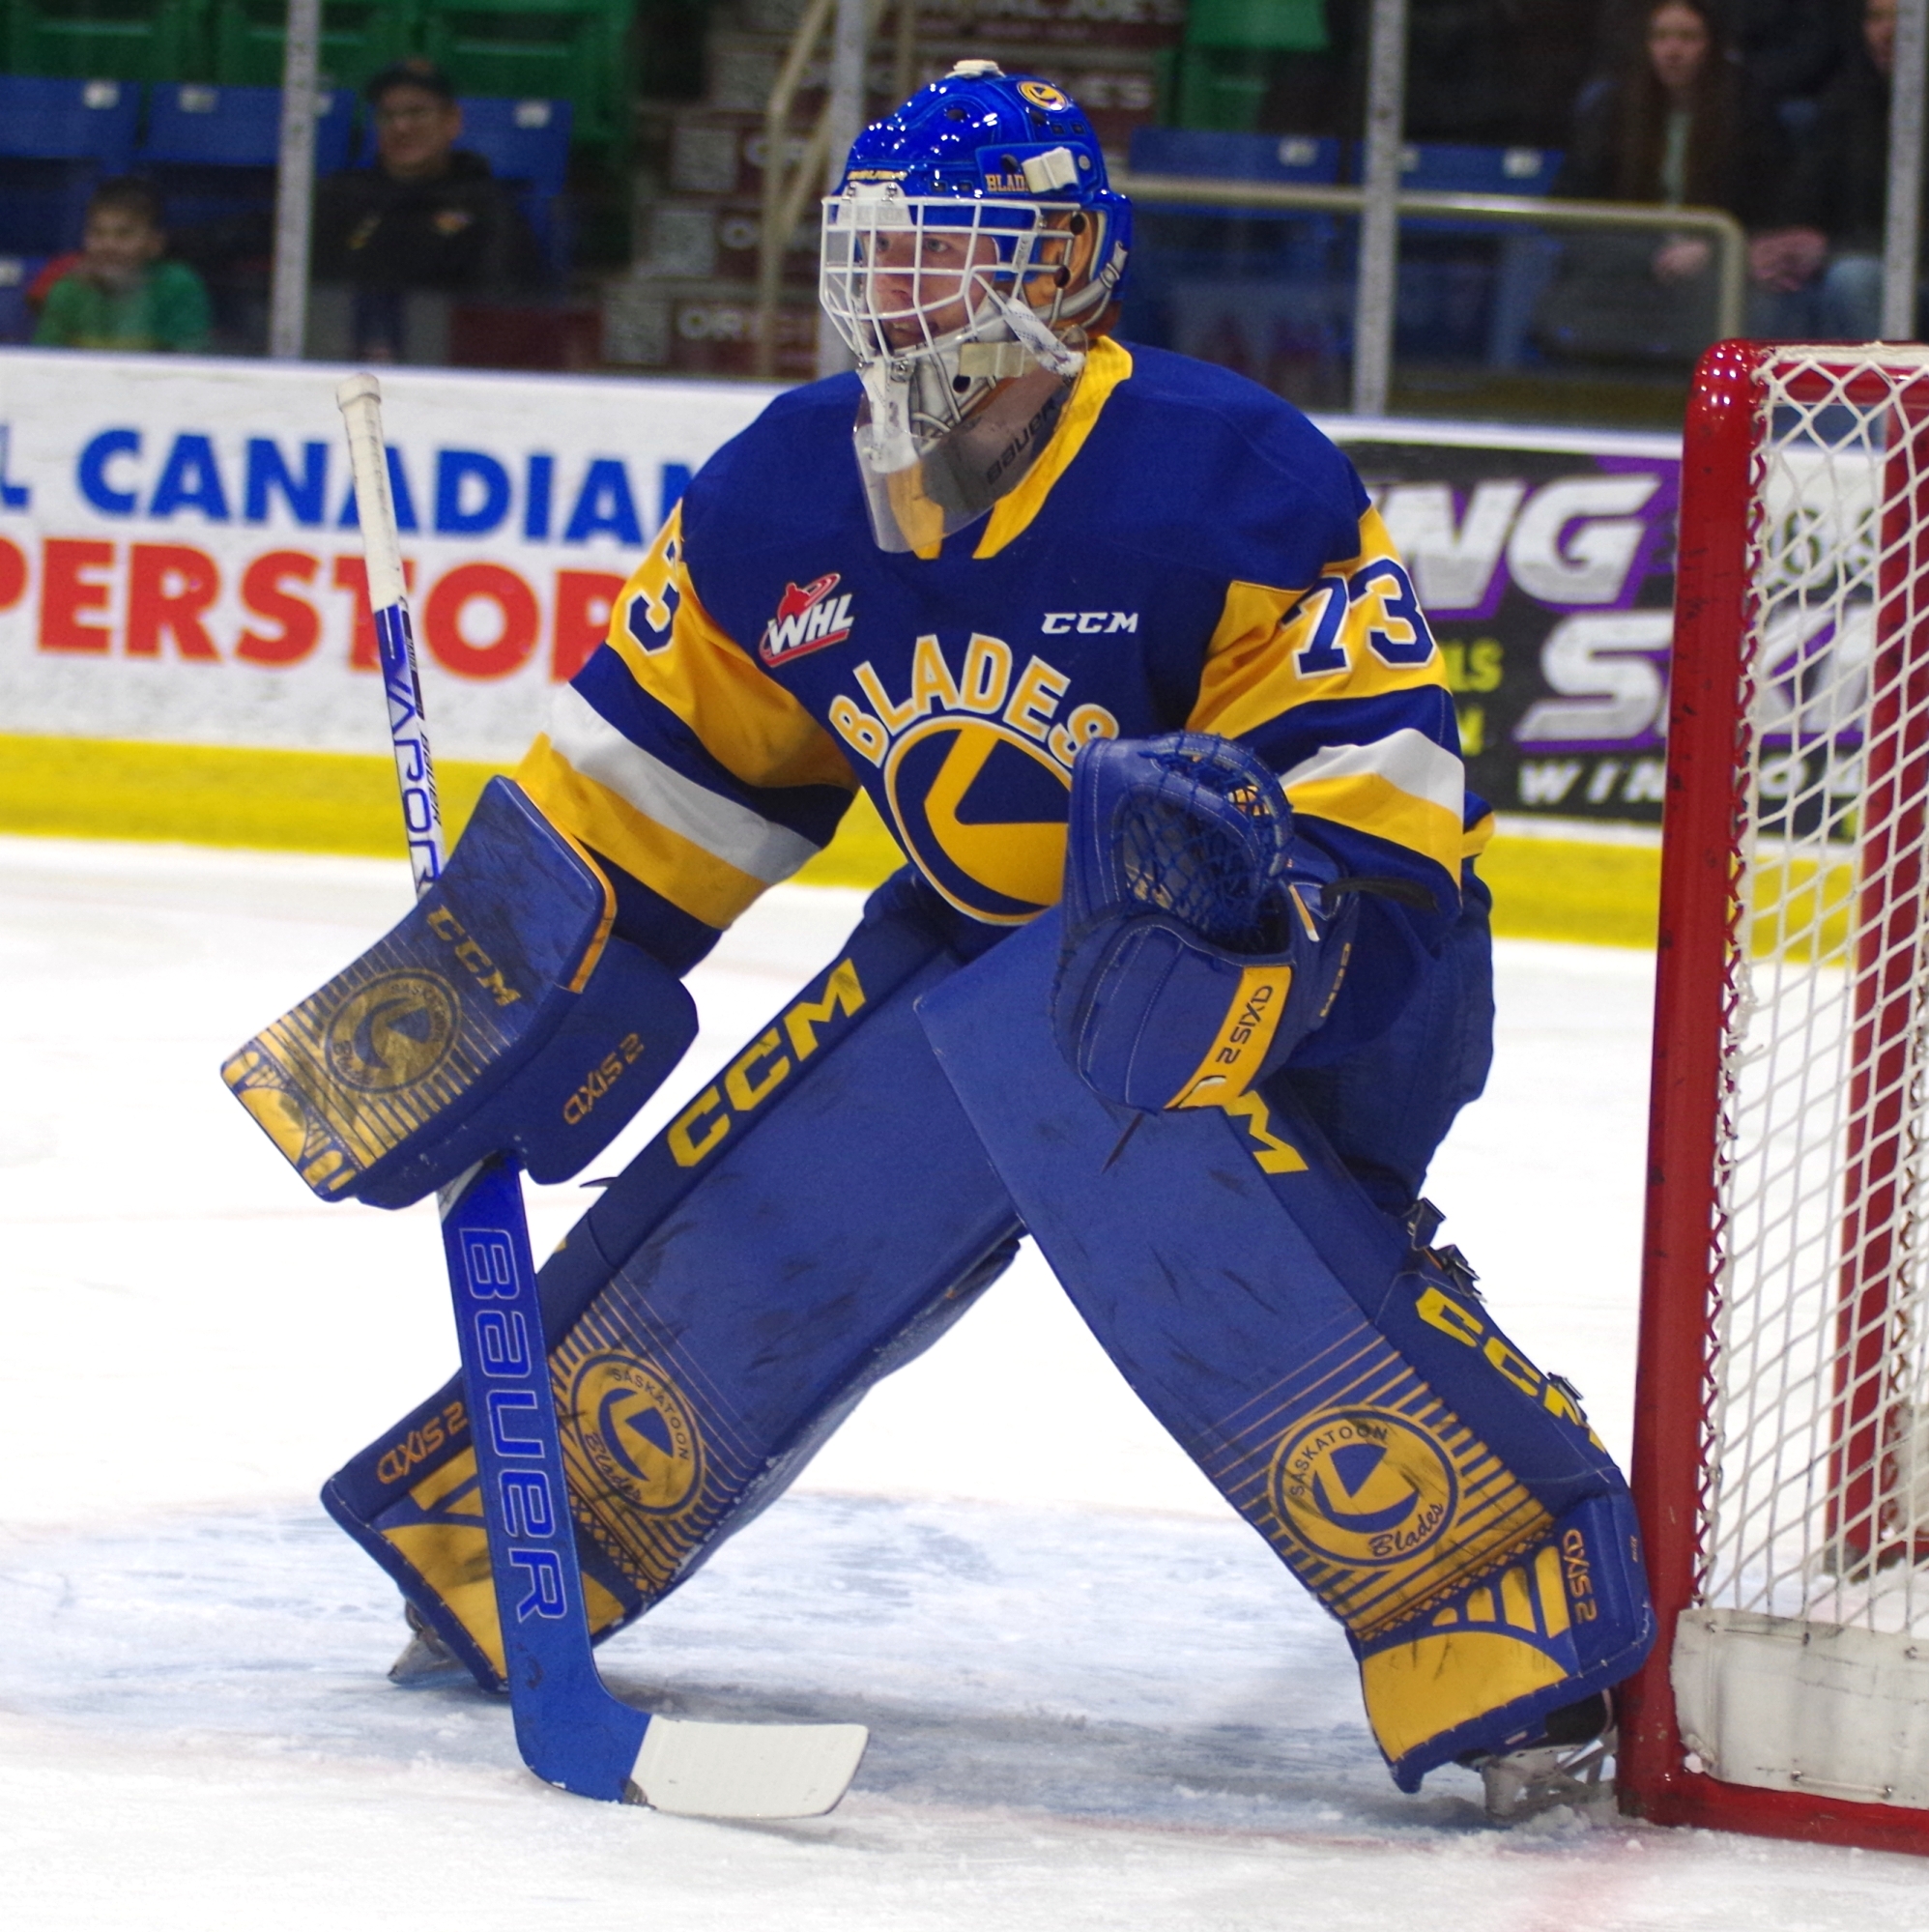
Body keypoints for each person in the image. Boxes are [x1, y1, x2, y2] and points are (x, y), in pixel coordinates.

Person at [233, 65, 1653, 1821]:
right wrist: (493, 988)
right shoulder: (782, 502)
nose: (895, 294)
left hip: (1322, 974)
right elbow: (650, 792)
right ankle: (517, 1535)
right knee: (803, 1168)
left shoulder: (1226, 473)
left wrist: (1255, 931)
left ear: (1065, 266)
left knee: (1131, 1102)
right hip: (994, 941)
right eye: (876, 252)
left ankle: (1506, 1605)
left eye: (943, 253)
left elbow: (1385, 806)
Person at [1539, 0, 1789, 361]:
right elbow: (1568, 210)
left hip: (1716, 267)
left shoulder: (1750, 111)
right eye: (1661, 37)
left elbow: (1773, 207)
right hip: (1629, 262)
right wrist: (1647, 253)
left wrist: (1714, 249)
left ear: (1713, 45)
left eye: (1688, 37)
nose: (1673, 51)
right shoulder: (1611, 110)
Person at [310, 58, 548, 363]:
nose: (401, 127)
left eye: (417, 113)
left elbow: (502, 312)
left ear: (453, 121)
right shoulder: (341, 195)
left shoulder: (488, 208)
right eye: (387, 115)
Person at [1750, 0, 1908, 340]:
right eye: (1875, 18)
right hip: (1849, 254)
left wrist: (1833, 250)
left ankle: (1887, 393)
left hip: (1907, 271)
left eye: (1901, 18)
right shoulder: (1848, 99)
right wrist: (1783, 247)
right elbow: (1805, 193)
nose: (1887, 32)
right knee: (1776, 280)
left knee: (1852, 280)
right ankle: (1775, 394)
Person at [33, 177, 210, 354]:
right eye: (97, 233)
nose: (108, 245)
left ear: (155, 243)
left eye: (124, 234)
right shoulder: (68, 290)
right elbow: (43, 362)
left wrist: (131, 290)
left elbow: (191, 364)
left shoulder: (178, 287)